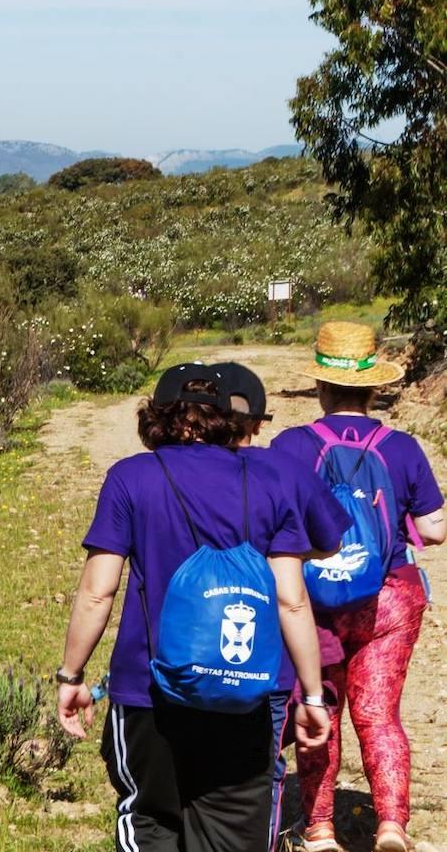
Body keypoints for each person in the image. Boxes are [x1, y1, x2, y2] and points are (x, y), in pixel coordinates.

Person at [58, 363, 333, 852]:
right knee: (231, 837)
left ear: (158, 417)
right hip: (242, 691)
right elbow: (292, 600)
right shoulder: (269, 481)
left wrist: (71, 677)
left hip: (149, 694)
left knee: (149, 820)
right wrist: (311, 697)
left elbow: (98, 591)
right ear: (228, 416)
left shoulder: (130, 477)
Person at [268, 322, 447, 852]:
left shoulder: (290, 445)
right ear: (374, 389)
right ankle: (391, 824)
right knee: (380, 712)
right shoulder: (403, 447)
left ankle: (320, 827)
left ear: (320, 388)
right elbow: (436, 529)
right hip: (388, 596)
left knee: (318, 706)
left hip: (311, 602)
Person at [214, 361, 350, 851]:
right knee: (260, 766)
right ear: (258, 421)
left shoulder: (174, 472)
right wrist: (285, 550)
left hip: (185, 650)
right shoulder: (286, 471)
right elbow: (332, 541)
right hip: (265, 656)